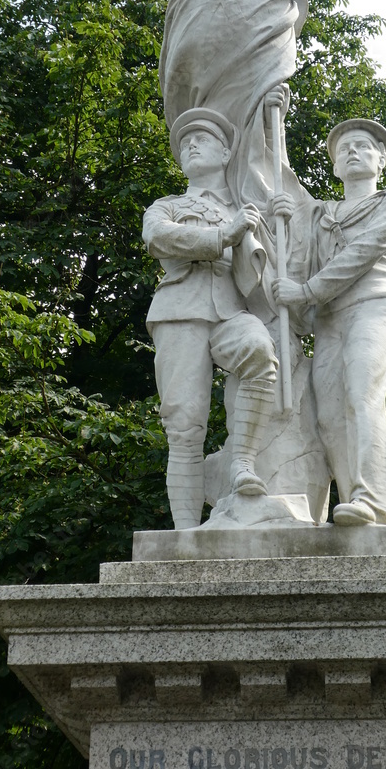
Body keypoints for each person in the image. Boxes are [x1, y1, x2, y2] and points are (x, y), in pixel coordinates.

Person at [272, 119, 386, 526]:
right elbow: (296, 258)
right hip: (329, 321)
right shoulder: (322, 215)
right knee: (329, 414)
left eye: (362, 145)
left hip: (370, 307)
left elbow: (361, 256)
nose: (352, 152)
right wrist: (280, 216)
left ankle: (372, 500)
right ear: (335, 166)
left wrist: (306, 292)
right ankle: (349, 499)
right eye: (344, 149)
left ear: (381, 159)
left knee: (361, 395)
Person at [142, 108, 279, 530]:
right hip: (179, 310)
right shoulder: (166, 205)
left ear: (225, 152)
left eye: (201, 139)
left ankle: (241, 463)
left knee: (259, 352)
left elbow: (261, 273)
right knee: (184, 425)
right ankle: (185, 535)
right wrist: (224, 235)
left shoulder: (246, 207)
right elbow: (159, 237)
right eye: (185, 143)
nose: (190, 145)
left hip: (229, 309)